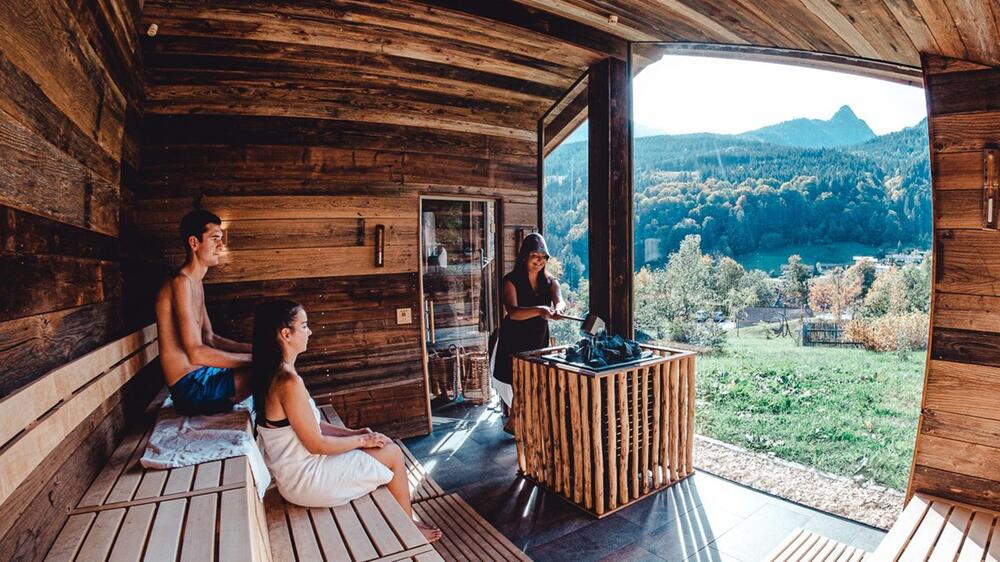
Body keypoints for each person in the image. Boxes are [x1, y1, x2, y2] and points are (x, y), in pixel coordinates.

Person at [253, 300, 442, 542]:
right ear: (286, 334)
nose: (309, 331)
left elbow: (315, 425)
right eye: (305, 325)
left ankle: (402, 518)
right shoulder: (288, 381)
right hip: (307, 480)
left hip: (295, 475)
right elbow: (317, 444)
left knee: (381, 448)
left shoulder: (276, 372)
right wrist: (362, 440)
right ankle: (408, 528)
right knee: (393, 454)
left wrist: (355, 433)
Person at [155, 209, 253, 415]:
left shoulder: (195, 283)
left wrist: (253, 348)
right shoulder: (180, 283)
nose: (221, 245)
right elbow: (196, 352)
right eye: (215, 238)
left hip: (202, 377)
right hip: (190, 388)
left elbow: (210, 338)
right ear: (194, 243)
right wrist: (255, 358)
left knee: (273, 366)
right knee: (272, 371)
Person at [492, 233, 565, 433]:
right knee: (520, 382)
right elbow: (513, 312)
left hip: (538, 337)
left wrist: (559, 308)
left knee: (534, 381)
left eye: (544, 257)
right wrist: (541, 310)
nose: (540, 261)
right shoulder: (510, 280)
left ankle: (515, 423)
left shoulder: (550, 281)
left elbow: (559, 299)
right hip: (515, 338)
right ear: (525, 255)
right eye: (535, 255)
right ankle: (518, 423)